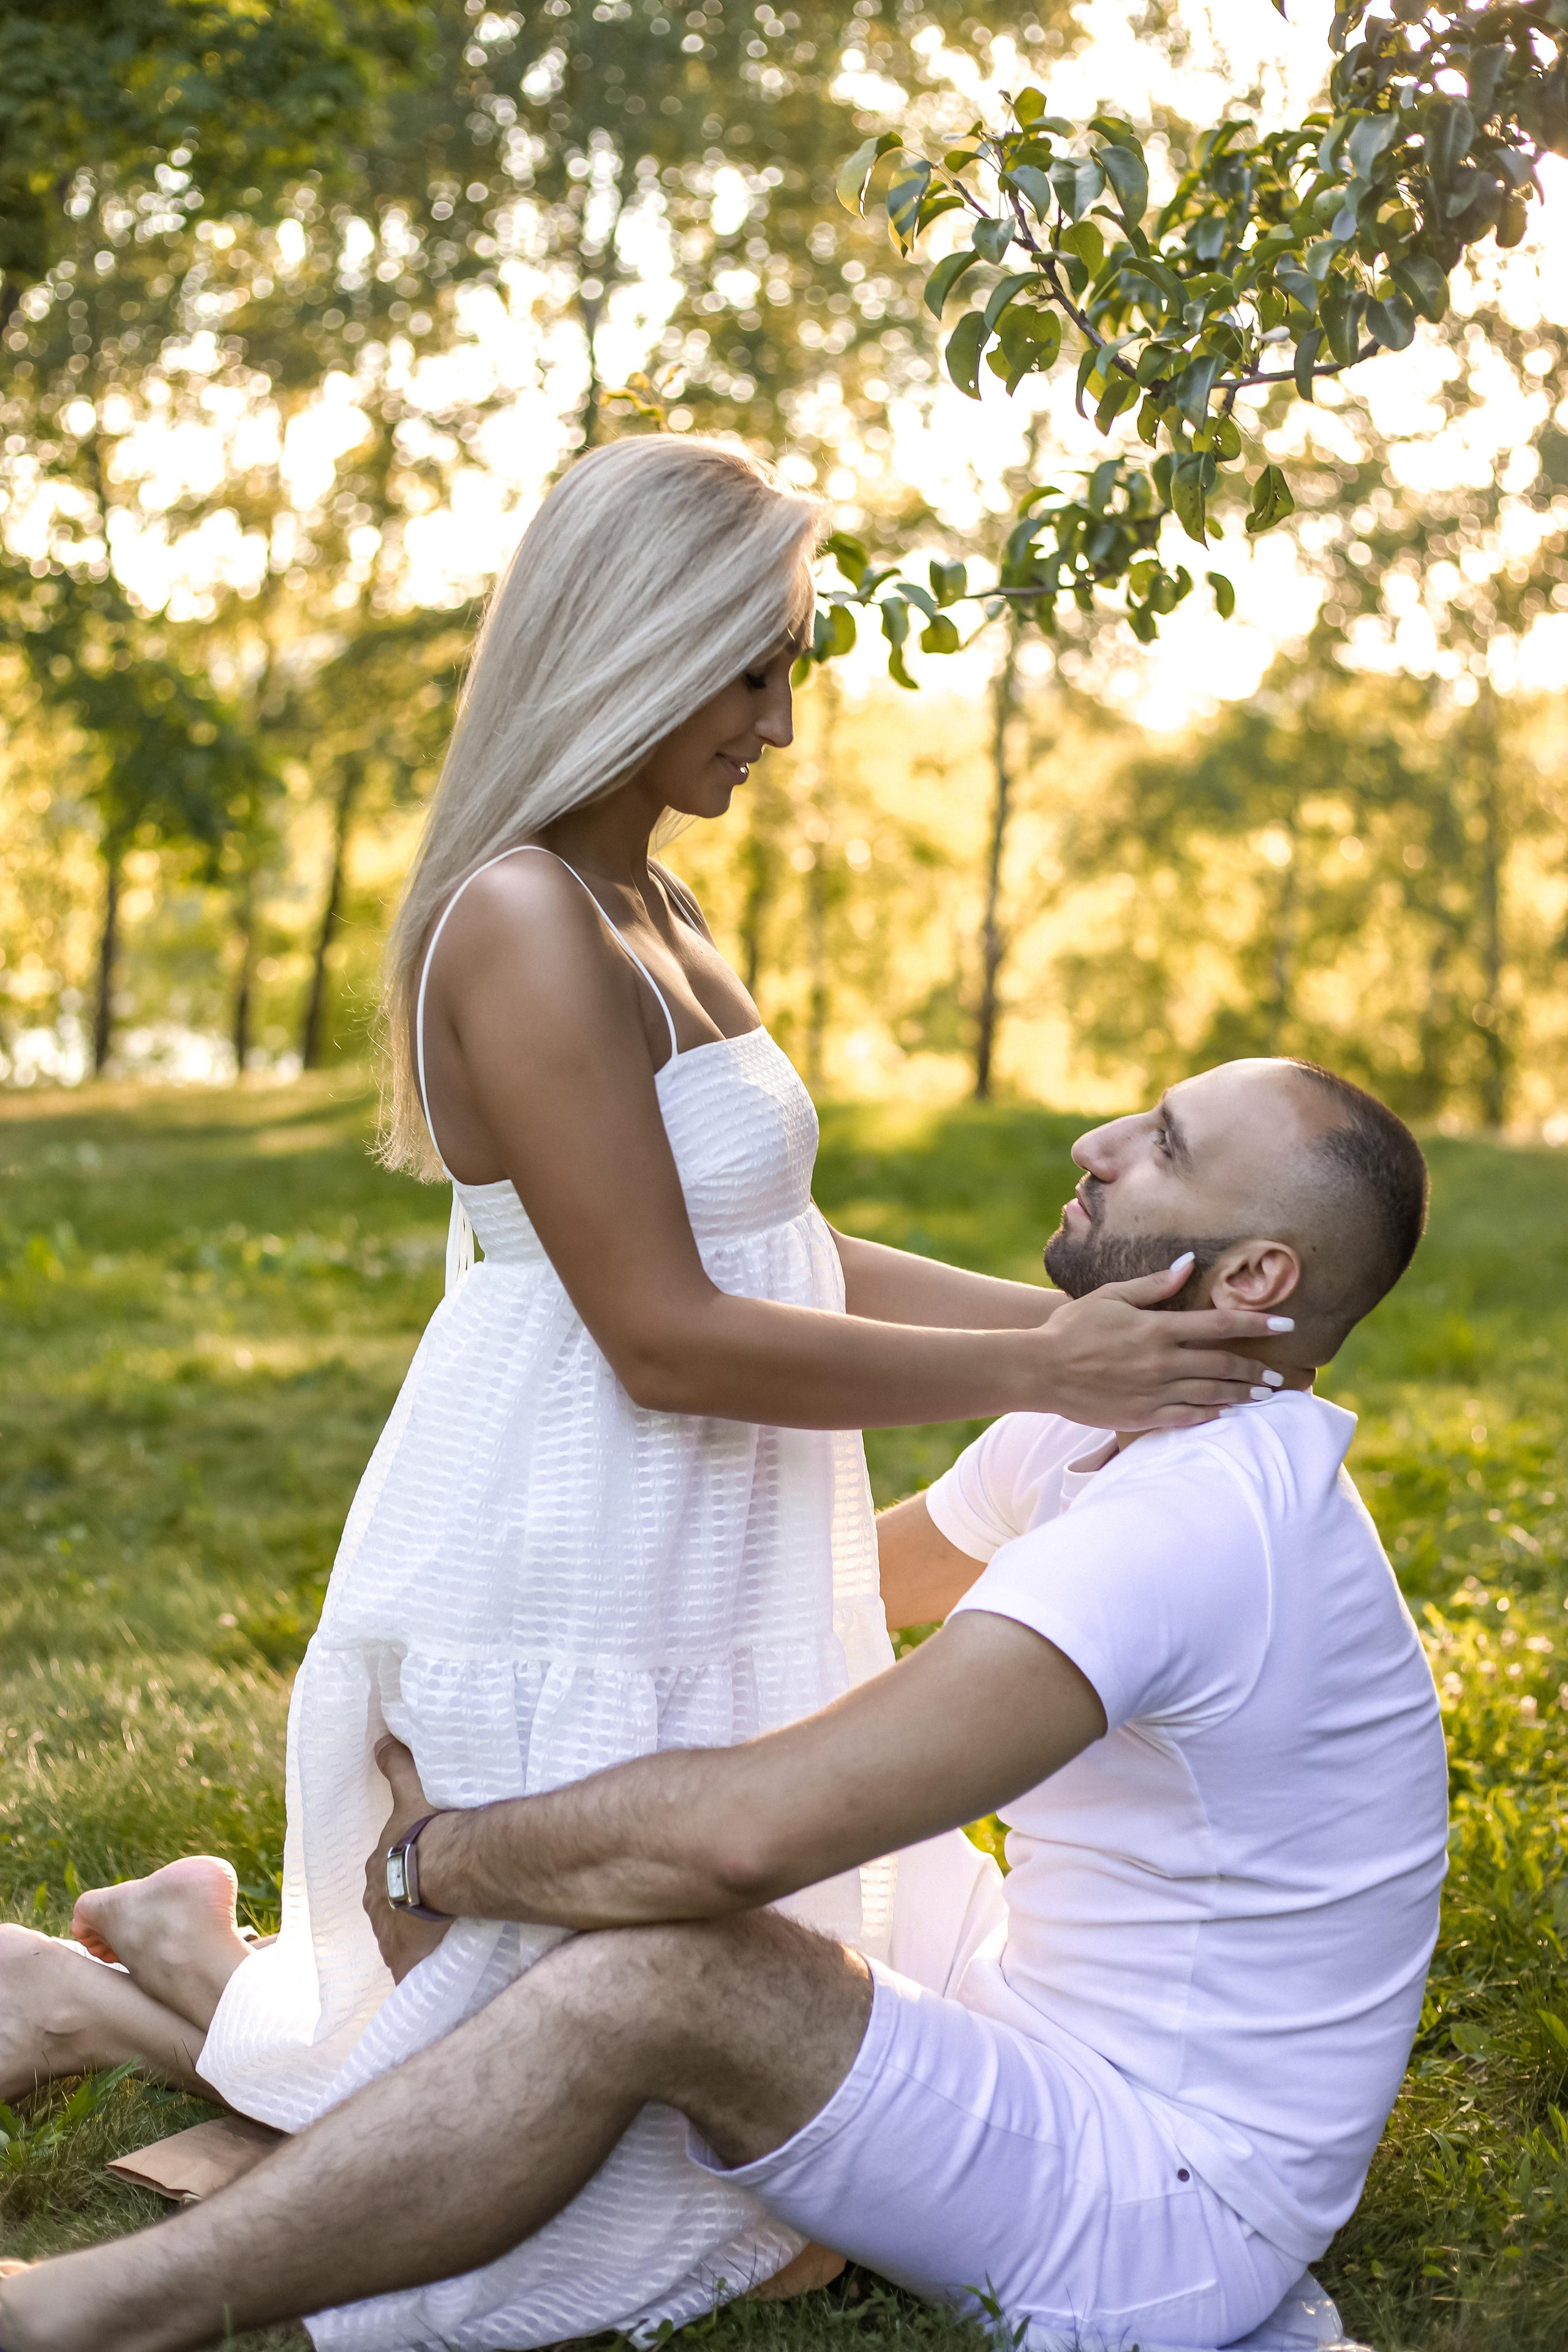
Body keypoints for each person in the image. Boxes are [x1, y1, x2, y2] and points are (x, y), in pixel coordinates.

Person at [0, 437, 1282, 2341]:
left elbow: (793, 1258)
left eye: (793, 665)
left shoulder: (656, 907)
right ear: (638, 640)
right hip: (566, 1540)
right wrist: (1044, 1360)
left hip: (695, 1542)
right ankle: (126, 1989)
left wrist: (1090, 1334)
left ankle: (166, 1971)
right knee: (600, 2184)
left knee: (707, 2123)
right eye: (753, 665)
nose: (783, 719)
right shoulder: (526, 919)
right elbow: (665, 1336)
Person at [0, 1055, 1449, 2352]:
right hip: (1028, 2003)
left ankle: (89, 2310)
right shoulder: (1107, 1419)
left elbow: (744, 1841)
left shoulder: (1203, 1527)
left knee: (665, 1966)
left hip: (1156, 2203)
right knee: (623, 1820)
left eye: (1164, 1147)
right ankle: (147, 1994)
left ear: (1251, 1281)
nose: (1096, 1136)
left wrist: (431, 1857)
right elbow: (837, 1590)